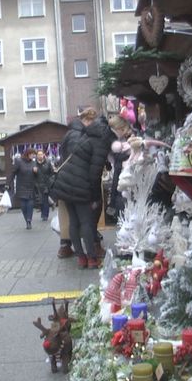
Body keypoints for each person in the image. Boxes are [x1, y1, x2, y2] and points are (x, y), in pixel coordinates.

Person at [52, 113, 131, 269]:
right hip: (79, 184)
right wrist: (95, 197)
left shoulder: (94, 132)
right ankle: (92, 259)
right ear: (120, 129)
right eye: (125, 131)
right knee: (87, 223)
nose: (124, 135)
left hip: (66, 181)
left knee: (74, 222)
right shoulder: (103, 140)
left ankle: (82, 258)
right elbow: (94, 172)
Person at [9, 148, 37, 229]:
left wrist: (36, 172)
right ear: (28, 154)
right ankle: (26, 219)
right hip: (21, 187)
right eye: (32, 154)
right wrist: (8, 183)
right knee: (23, 206)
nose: (33, 156)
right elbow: (13, 173)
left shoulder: (34, 163)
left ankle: (29, 221)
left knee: (30, 204)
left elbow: (37, 175)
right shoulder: (19, 161)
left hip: (31, 187)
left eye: (34, 154)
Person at [35, 149, 53, 221]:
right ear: (36, 156)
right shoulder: (34, 164)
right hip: (38, 184)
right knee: (40, 200)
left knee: (45, 200)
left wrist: (50, 181)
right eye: (38, 154)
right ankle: (43, 212)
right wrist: (34, 171)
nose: (40, 156)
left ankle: (45, 215)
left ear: (43, 155)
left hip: (46, 184)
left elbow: (52, 173)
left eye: (41, 154)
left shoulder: (48, 163)